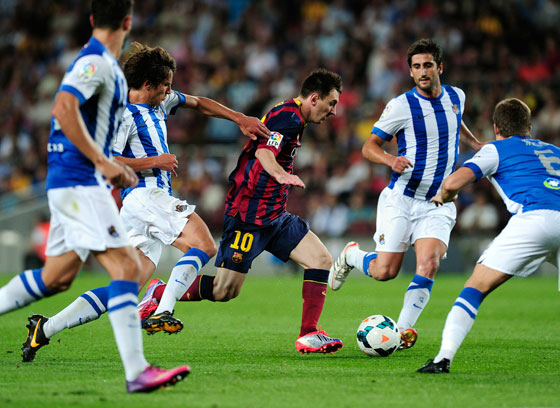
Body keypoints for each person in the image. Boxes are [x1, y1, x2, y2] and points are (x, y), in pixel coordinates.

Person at [19, 42, 270, 358]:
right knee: (204, 244)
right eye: (165, 85)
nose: (170, 91)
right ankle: (163, 309)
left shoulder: (160, 104)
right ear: (148, 84)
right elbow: (107, 159)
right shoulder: (122, 114)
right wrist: (155, 161)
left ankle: (45, 328)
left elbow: (198, 103)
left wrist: (239, 118)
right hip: (145, 195)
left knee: (125, 289)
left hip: (138, 208)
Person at [0, 0, 190, 393]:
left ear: (92, 19)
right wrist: (102, 160)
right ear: (127, 21)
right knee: (127, 268)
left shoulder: (105, 67)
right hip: (80, 181)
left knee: (55, 278)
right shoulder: (97, 63)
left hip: (73, 181)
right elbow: (63, 107)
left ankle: (128, 367)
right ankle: (137, 372)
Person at [139, 68, 344, 354]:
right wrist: (281, 174)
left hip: (275, 215)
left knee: (320, 259)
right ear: (314, 98)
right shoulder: (288, 117)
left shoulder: (293, 117)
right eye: (331, 103)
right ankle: (158, 292)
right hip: (248, 216)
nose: (333, 111)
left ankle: (309, 334)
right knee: (225, 291)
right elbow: (264, 153)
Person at [328, 38, 483, 350]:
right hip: (402, 198)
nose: (422, 71)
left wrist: (476, 144)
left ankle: (402, 331)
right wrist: (390, 160)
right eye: (416, 67)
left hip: (438, 201)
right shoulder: (401, 106)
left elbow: (455, 122)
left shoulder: (457, 96)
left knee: (429, 262)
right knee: (385, 271)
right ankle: (351, 255)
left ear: (440, 67)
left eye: (428, 65)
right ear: (410, 72)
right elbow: (368, 147)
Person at [418, 98, 560, 373]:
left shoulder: (496, 149)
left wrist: (446, 195)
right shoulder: (555, 150)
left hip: (535, 219)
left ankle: (443, 358)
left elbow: (452, 182)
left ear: (495, 127)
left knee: (475, 287)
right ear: (529, 127)